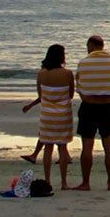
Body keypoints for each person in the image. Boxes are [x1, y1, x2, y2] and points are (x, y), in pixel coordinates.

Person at [74, 33, 110, 191]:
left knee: (87, 146)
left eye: (87, 47)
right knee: (109, 146)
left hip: (89, 105)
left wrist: (84, 95)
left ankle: (86, 182)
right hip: (108, 106)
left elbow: (79, 84)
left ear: (91, 46)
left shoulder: (83, 63)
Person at [21, 44, 73, 189]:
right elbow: (70, 95)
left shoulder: (41, 74)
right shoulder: (68, 73)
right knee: (62, 147)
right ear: (62, 56)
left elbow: (41, 96)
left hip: (47, 115)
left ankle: (48, 180)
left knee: (48, 148)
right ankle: (64, 182)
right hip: (63, 115)